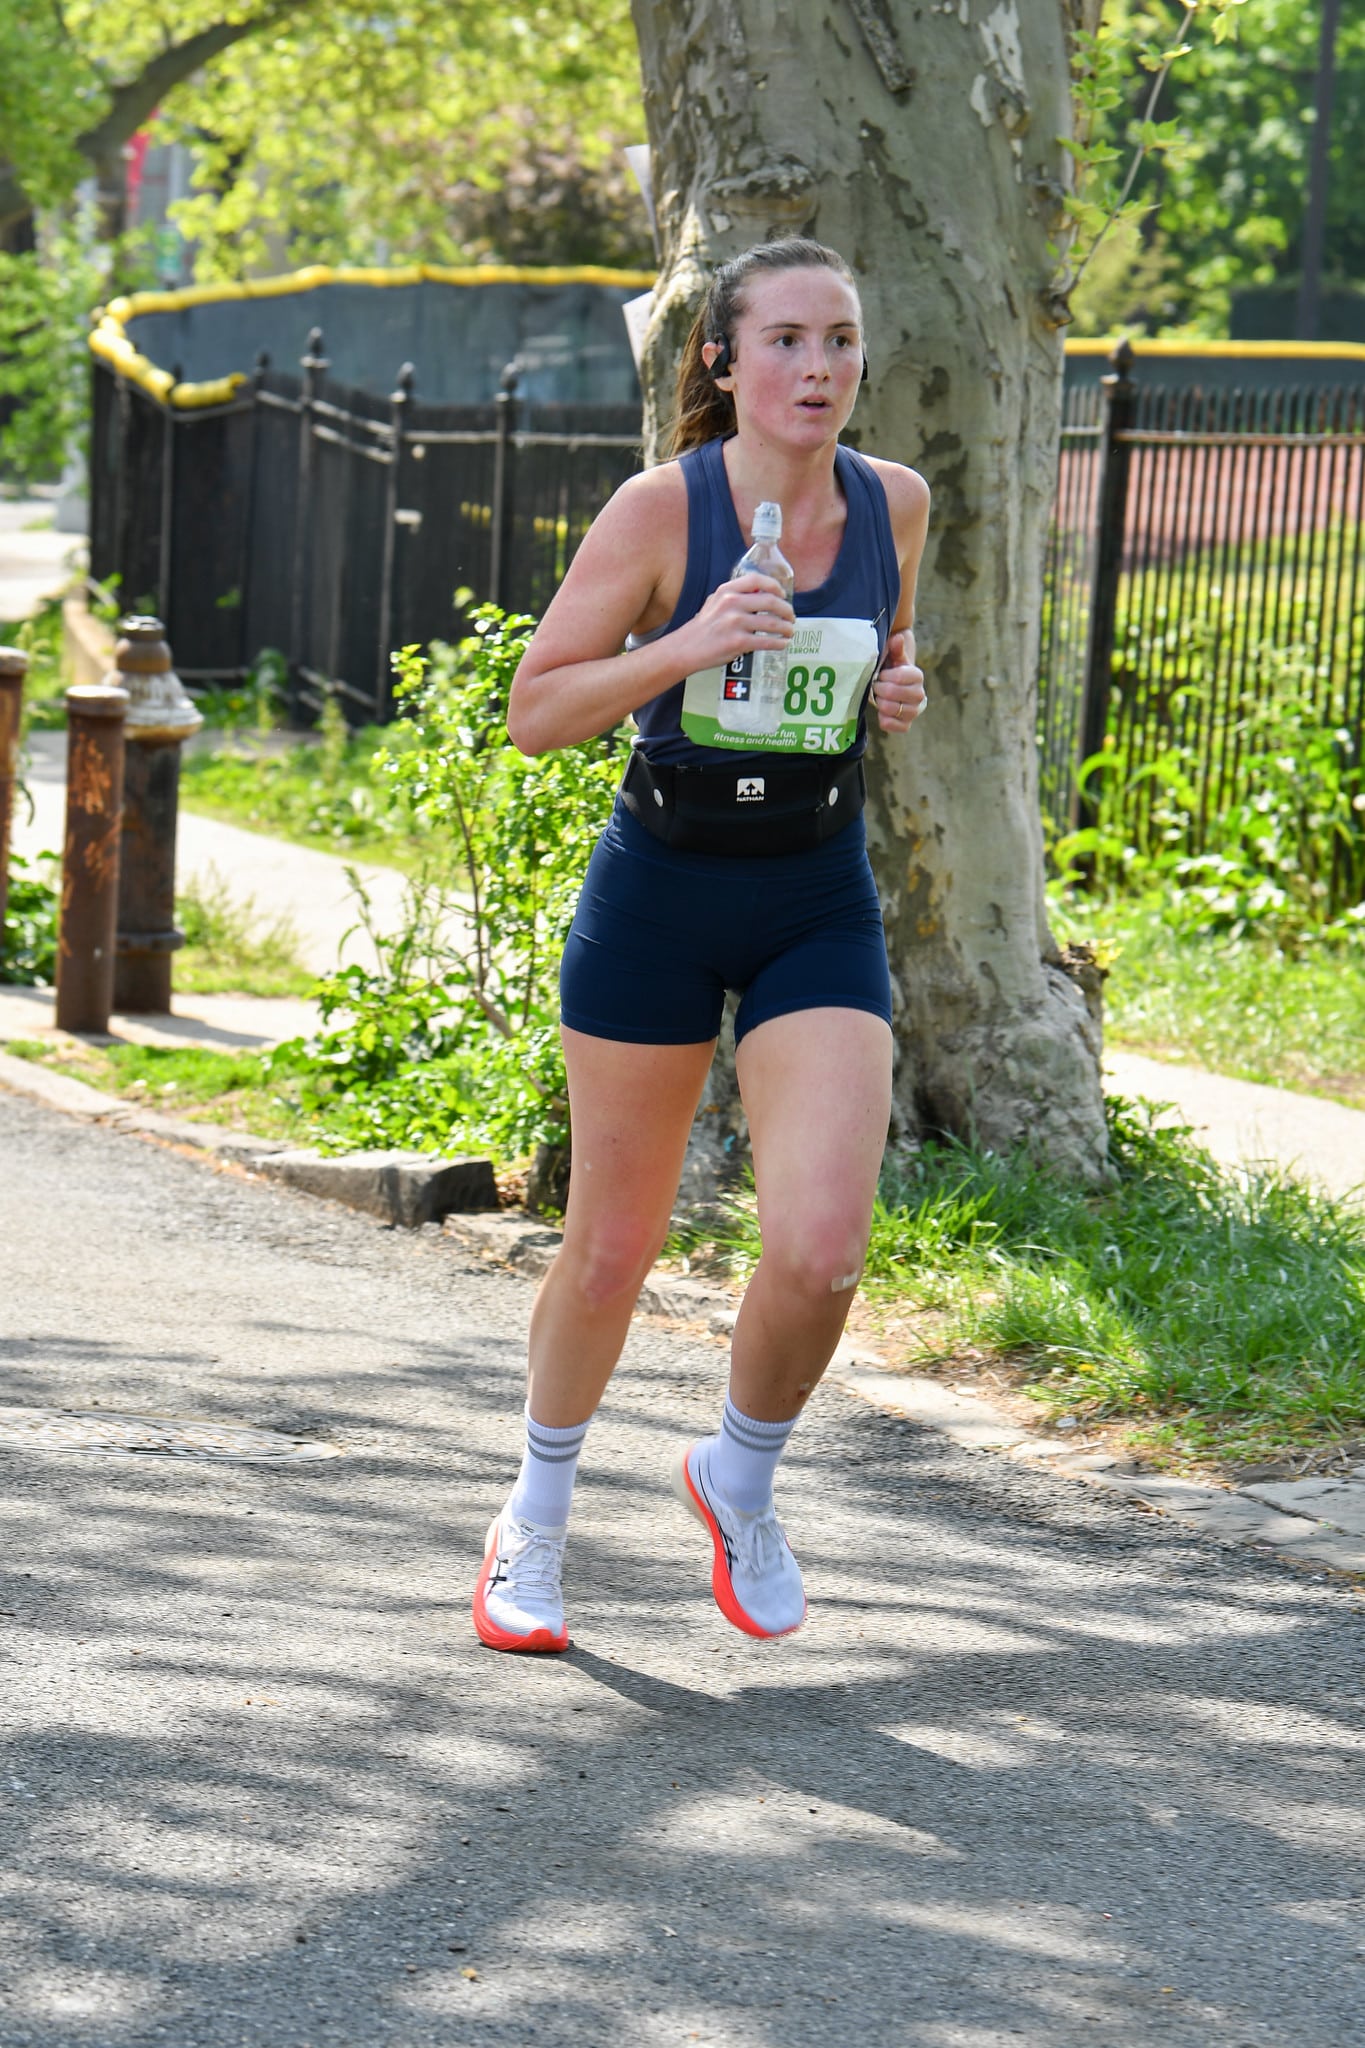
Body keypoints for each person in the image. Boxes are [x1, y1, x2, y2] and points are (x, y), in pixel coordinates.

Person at [473, 237, 929, 1653]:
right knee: (612, 1246)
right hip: (660, 890)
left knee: (822, 1249)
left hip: (811, 892)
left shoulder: (893, 502)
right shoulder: (658, 511)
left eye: (840, 341)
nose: (818, 369)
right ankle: (531, 1527)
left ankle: (738, 1474)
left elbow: (880, 652)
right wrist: (686, 642)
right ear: (725, 363)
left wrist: (897, 688)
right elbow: (535, 710)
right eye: (786, 341)